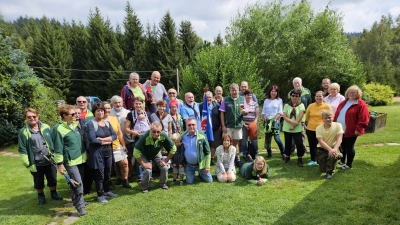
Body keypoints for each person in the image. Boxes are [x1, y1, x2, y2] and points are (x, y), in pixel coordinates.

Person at [18, 108, 63, 205]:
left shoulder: (46, 127)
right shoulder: (23, 132)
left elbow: (52, 141)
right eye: (29, 117)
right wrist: (26, 162)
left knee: (52, 178)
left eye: (34, 116)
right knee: (39, 181)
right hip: (36, 162)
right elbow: (22, 148)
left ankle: (54, 194)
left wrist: (55, 155)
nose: (32, 118)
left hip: (50, 160)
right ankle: (41, 197)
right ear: (26, 118)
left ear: (37, 116)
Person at [52, 105, 87, 216]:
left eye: (76, 114)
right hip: (70, 161)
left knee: (74, 184)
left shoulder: (74, 125)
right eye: (72, 114)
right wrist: (60, 164)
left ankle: (77, 201)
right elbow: (58, 148)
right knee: (78, 184)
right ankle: (80, 207)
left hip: (80, 158)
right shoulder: (58, 129)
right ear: (64, 116)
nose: (75, 116)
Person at [86, 103, 118, 203]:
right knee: (99, 175)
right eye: (98, 111)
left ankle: (107, 191)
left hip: (108, 152)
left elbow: (114, 136)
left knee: (108, 173)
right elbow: (92, 139)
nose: (100, 112)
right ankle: (100, 195)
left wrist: (105, 140)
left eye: (102, 111)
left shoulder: (107, 123)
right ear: (94, 112)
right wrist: (108, 141)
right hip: (97, 153)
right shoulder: (91, 124)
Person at [133, 122, 176, 193]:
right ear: (150, 130)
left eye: (158, 132)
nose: (156, 134)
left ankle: (163, 184)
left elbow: (173, 148)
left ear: (161, 131)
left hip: (156, 153)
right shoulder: (144, 136)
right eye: (154, 132)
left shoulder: (164, 135)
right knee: (147, 170)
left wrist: (166, 160)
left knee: (165, 167)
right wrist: (143, 164)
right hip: (144, 154)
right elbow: (135, 152)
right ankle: (144, 187)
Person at [334, 85, 370, 169]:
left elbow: (364, 118)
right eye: (350, 92)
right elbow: (337, 114)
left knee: (349, 147)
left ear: (358, 94)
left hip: (351, 130)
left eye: (354, 92)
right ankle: (342, 161)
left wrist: (358, 129)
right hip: (340, 129)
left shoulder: (361, 104)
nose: (351, 94)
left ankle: (349, 164)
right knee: (342, 146)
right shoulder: (343, 102)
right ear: (347, 93)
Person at [102, 102, 131, 188]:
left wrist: (124, 145)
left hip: (117, 145)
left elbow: (119, 133)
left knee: (125, 163)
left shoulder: (114, 119)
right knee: (107, 167)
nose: (107, 110)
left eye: (108, 108)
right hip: (105, 147)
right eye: (105, 108)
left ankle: (125, 180)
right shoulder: (98, 120)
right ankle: (108, 183)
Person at [181, 117, 213, 184]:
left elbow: (208, 152)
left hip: (201, 164)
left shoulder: (202, 136)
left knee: (209, 180)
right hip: (189, 165)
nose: (191, 126)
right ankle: (191, 174)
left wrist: (207, 166)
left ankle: (201, 174)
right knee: (189, 182)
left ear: (196, 125)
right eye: (189, 125)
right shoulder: (182, 136)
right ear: (186, 126)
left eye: (193, 124)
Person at [305, 91, 332, 166]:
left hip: (322, 129)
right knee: (312, 145)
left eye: (320, 96)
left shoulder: (327, 106)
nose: (318, 98)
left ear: (323, 97)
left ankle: (321, 160)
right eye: (317, 96)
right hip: (310, 129)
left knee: (321, 145)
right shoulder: (310, 106)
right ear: (315, 97)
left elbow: (330, 117)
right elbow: (307, 117)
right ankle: (313, 159)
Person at [286, 77, 311, 155]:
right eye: (295, 83)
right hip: (292, 118)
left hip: (303, 118)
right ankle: (292, 150)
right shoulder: (290, 93)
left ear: (301, 83)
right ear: (293, 84)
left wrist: (308, 117)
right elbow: (287, 105)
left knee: (302, 135)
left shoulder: (307, 92)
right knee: (292, 135)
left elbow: (310, 105)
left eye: (298, 83)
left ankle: (303, 150)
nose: (297, 84)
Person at [316, 110, 344, 179]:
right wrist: (329, 149)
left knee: (333, 155)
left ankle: (329, 172)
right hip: (322, 149)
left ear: (333, 117)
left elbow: (339, 139)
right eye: (325, 118)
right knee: (322, 170)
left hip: (333, 147)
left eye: (329, 117)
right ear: (322, 119)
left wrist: (334, 149)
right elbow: (321, 141)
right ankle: (327, 163)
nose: (328, 119)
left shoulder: (338, 125)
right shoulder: (318, 128)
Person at [220, 83, 247, 152]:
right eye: (232, 90)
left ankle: (233, 157)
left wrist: (245, 111)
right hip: (228, 126)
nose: (234, 92)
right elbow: (222, 113)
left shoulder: (242, 99)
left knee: (235, 142)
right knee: (226, 142)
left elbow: (245, 110)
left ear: (238, 90)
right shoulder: (226, 100)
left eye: (235, 90)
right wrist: (223, 126)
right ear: (230, 91)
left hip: (238, 125)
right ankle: (225, 157)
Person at [283, 90, 306, 167]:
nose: (294, 97)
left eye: (296, 96)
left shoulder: (301, 105)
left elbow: (301, 115)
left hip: (297, 128)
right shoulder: (286, 105)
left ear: (299, 97)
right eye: (293, 95)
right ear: (290, 96)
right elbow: (285, 116)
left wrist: (294, 124)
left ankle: (300, 159)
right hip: (287, 128)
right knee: (288, 144)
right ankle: (287, 158)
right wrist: (293, 123)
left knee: (299, 144)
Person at [261, 85, 285, 159]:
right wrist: (266, 120)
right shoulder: (266, 100)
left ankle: (283, 152)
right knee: (268, 139)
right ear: (270, 92)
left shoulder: (279, 100)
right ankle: (269, 153)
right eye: (272, 91)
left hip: (275, 122)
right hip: (267, 122)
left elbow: (280, 112)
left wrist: (274, 120)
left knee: (277, 138)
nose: (274, 93)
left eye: (275, 91)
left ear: (277, 92)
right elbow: (263, 111)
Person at [199, 91, 222, 165]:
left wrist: (221, 126)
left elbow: (221, 116)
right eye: (206, 97)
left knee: (214, 145)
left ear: (212, 98)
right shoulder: (200, 106)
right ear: (204, 98)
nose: (208, 99)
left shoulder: (217, 105)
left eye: (209, 97)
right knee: (206, 144)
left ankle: (211, 159)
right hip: (204, 129)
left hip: (215, 128)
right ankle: (205, 159)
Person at [241, 89, 259, 160]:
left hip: (253, 124)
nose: (249, 96)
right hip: (244, 125)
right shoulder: (242, 104)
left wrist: (254, 123)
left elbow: (257, 115)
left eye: (250, 95)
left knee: (254, 139)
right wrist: (244, 124)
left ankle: (256, 152)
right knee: (244, 140)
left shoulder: (255, 103)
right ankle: (245, 153)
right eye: (247, 95)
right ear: (245, 96)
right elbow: (240, 114)